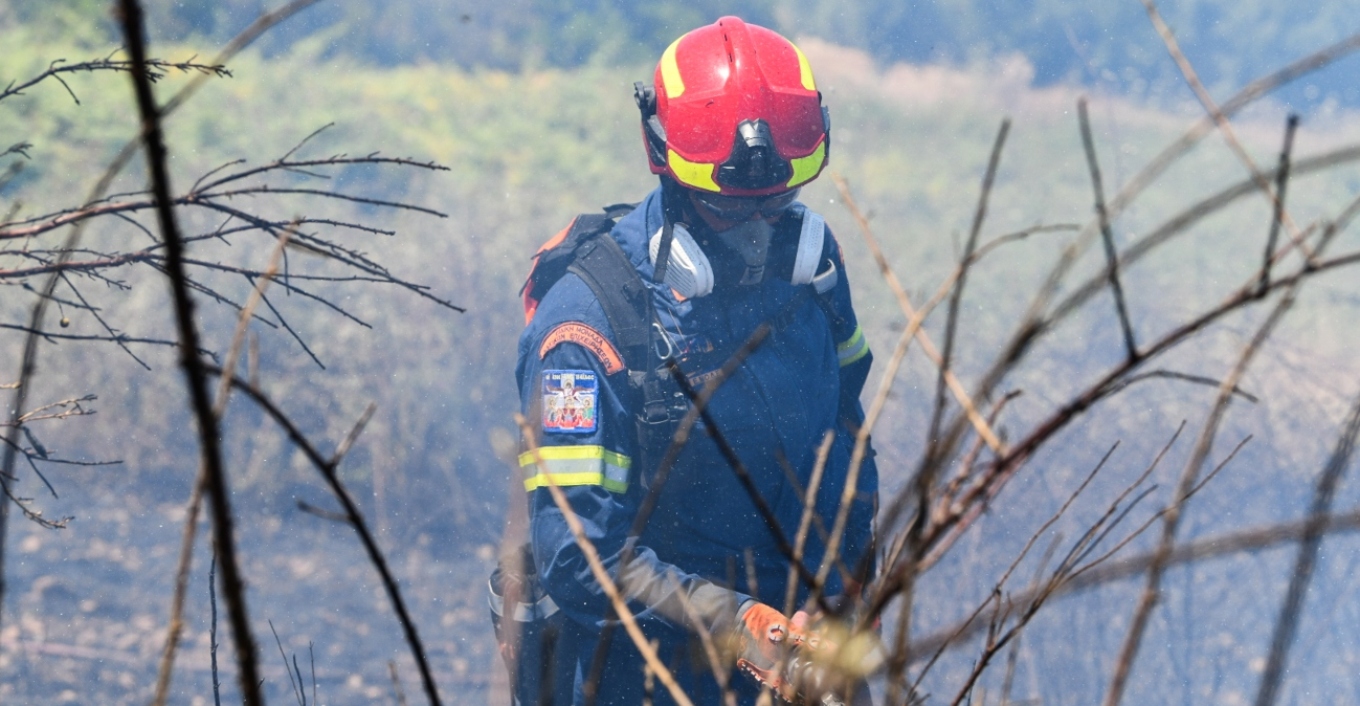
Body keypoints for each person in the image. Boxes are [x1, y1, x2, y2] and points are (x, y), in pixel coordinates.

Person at [512, 16, 878, 706]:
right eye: (732, 211)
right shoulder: (588, 329)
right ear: (671, 169)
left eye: (779, 202)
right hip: (646, 676)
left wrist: (842, 596)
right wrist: (738, 624)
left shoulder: (813, 274)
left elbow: (847, 439)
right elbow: (579, 555)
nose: (764, 232)